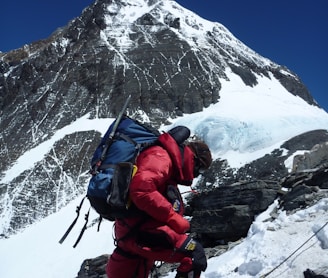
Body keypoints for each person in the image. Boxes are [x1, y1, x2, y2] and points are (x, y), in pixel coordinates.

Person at [106, 130, 212, 278]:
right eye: (199, 169)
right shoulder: (161, 157)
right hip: (140, 231)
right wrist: (171, 217)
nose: (196, 175)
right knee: (194, 256)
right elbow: (141, 189)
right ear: (194, 159)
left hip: (136, 230)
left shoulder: (167, 162)